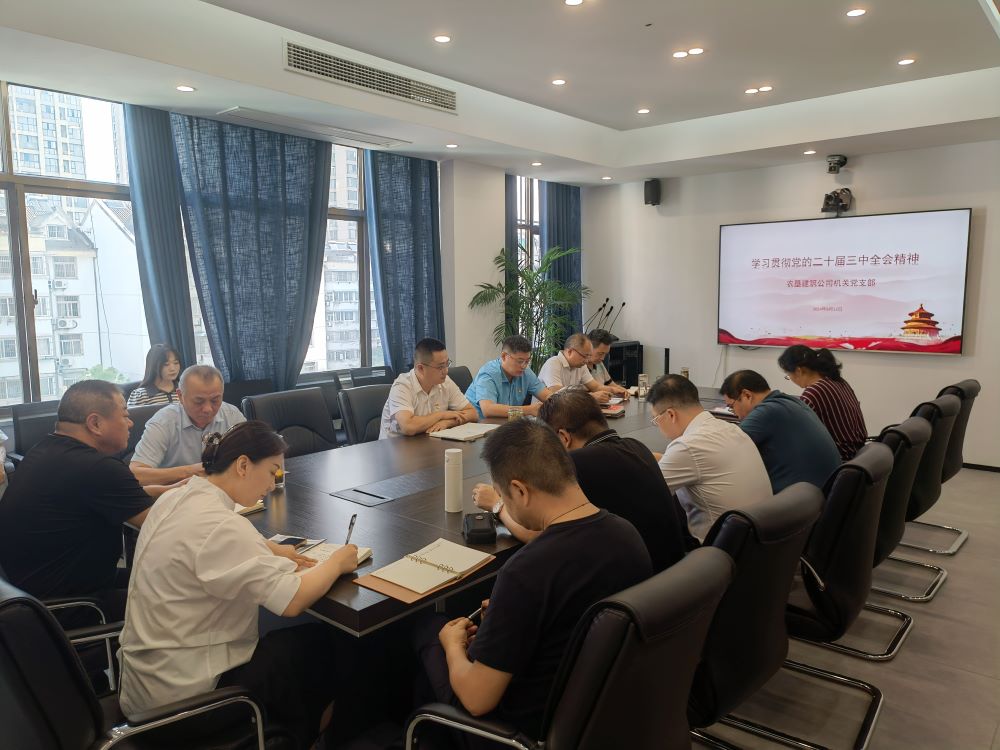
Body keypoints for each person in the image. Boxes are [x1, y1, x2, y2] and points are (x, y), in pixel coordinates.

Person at [118, 421, 359, 749]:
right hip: (186, 706)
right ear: (243, 465)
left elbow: (200, 546)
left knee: (283, 645)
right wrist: (338, 562)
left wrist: (268, 548)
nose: (273, 485)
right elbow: (292, 600)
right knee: (317, 645)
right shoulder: (222, 526)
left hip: (143, 690)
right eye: (272, 472)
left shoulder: (177, 497)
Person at [417, 419, 652, 741]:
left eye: (504, 496)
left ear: (519, 491)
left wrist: (451, 645)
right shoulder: (628, 535)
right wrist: (506, 617)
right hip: (602, 718)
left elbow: (476, 699)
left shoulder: (526, 570)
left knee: (426, 629)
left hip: (522, 733)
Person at [0, 381, 180, 622]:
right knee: (188, 595)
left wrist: (173, 490)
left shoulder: (46, 450)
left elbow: (114, 497)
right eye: (125, 415)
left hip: (32, 595)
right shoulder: (98, 468)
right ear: (95, 423)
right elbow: (168, 527)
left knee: (167, 579)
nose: (130, 423)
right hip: (71, 607)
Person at [474, 390, 696, 571]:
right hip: (671, 578)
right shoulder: (637, 447)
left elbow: (540, 537)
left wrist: (497, 504)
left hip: (633, 584)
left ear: (563, 437)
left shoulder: (576, 466)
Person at [647, 374, 772, 541]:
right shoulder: (730, 428)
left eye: (656, 420)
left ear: (671, 414)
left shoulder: (687, 446)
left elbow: (644, 494)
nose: (658, 426)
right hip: (758, 540)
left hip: (719, 549)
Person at [719, 369, 842, 494]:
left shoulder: (767, 411)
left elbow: (724, 449)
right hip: (824, 493)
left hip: (803, 498)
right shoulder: (791, 402)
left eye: (731, 406)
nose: (734, 413)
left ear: (747, 395)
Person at [130, 365, 245, 485]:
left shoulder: (232, 415)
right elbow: (136, 475)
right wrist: (189, 471)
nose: (208, 409)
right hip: (176, 492)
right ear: (180, 396)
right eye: (198, 401)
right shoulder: (164, 422)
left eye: (215, 400)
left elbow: (253, 457)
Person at [778, 345, 868, 460]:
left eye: (788, 375)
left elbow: (797, 434)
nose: (790, 379)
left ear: (799, 371)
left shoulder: (813, 393)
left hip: (840, 459)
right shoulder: (838, 381)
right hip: (859, 453)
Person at [379, 337, 478, 439]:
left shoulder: (445, 382)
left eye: (447, 364)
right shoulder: (402, 386)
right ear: (421, 368)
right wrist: (441, 415)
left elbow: (473, 413)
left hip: (427, 441)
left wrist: (448, 422)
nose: (446, 371)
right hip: (396, 446)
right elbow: (408, 427)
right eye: (440, 367)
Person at [464, 335, 559, 418]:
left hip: (504, 423)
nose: (524, 366)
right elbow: (488, 409)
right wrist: (528, 410)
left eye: (527, 361)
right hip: (477, 424)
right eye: (520, 361)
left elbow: (547, 396)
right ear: (504, 356)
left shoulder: (525, 372)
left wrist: (559, 402)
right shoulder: (488, 373)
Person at [537, 332, 613, 403]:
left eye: (589, 356)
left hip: (568, 408)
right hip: (547, 410)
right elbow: (557, 393)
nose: (587, 361)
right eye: (584, 356)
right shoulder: (553, 363)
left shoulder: (581, 366)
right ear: (570, 352)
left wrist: (615, 390)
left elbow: (595, 387)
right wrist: (591, 396)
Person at [586, 328, 629, 397]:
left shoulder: (599, 363)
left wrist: (624, 391)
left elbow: (611, 384)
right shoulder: (580, 367)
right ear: (589, 348)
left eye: (605, 354)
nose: (603, 358)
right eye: (600, 354)